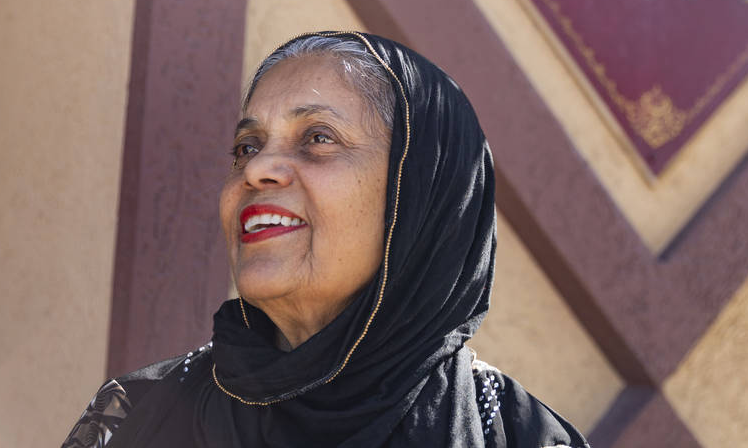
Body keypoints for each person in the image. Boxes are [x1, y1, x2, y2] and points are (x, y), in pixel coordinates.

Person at [62, 31, 588, 448]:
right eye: (247, 146)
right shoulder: (137, 417)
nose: (258, 169)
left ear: (421, 197)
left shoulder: (521, 438)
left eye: (318, 138)